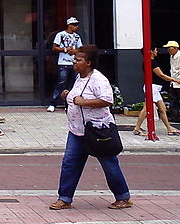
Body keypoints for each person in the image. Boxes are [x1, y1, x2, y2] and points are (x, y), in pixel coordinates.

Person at [50, 44, 133, 211]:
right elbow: (76, 98)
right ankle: (64, 198)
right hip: (77, 131)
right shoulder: (78, 78)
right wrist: (67, 95)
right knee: (69, 163)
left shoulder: (98, 79)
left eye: (78, 60)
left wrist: (84, 102)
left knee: (109, 164)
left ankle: (123, 197)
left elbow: (107, 100)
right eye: (74, 59)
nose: (74, 62)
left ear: (88, 62)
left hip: (97, 130)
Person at [132, 48, 180, 136]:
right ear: (151, 51)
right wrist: (175, 80)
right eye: (155, 50)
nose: (157, 51)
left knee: (162, 109)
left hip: (155, 88)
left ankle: (169, 129)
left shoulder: (148, 62)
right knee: (146, 108)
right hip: (152, 88)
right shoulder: (151, 62)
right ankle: (137, 128)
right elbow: (161, 75)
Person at [47, 17, 83, 112]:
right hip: (63, 63)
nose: (76, 26)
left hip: (74, 63)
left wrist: (75, 51)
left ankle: (68, 104)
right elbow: (54, 47)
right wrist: (65, 49)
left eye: (77, 25)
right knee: (61, 83)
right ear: (69, 25)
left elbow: (80, 49)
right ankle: (53, 103)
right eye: (74, 25)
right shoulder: (61, 35)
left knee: (72, 84)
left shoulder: (77, 36)